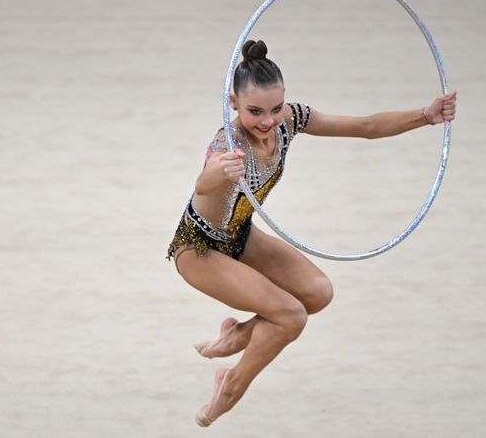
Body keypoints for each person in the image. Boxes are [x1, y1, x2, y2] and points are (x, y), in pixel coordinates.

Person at [167, 39, 457, 427]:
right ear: (233, 103)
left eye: (275, 107)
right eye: (254, 111)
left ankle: (238, 335)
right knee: (290, 317)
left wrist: (426, 115)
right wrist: (221, 170)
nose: (267, 120)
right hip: (199, 248)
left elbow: (366, 127)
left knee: (318, 293)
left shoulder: (291, 119)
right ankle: (231, 386)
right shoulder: (228, 143)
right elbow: (203, 185)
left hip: (239, 235)